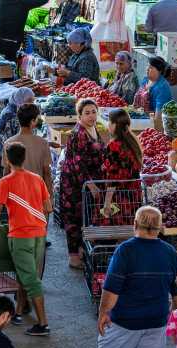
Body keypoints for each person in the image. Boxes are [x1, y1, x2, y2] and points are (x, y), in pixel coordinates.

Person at [95, 206, 177, 348]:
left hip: (125, 321)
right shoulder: (170, 252)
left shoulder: (125, 251)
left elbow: (111, 288)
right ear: (160, 228)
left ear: (135, 225)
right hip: (157, 321)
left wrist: (104, 313)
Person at [0, 142, 51, 336]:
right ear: (24, 158)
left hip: (20, 235)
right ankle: (18, 311)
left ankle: (43, 324)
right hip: (39, 234)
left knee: (30, 279)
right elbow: (48, 207)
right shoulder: (37, 179)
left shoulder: (6, 181)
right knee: (25, 273)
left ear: (7, 160)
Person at [57, 98, 106, 268]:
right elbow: (78, 163)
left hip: (87, 182)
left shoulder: (92, 129)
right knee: (74, 219)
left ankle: (81, 251)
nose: (91, 116)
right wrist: (91, 184)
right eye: (87, 113)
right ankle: (74, 258)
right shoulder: (79, 133)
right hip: (74, 184)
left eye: (93, 112)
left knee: (85, 216)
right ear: (80, 116)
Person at [0, 86, 35, 199]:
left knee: (1, 198)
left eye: (33, 101)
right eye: (29, 101)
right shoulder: (11, 117)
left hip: (5, 164)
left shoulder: (11, 112)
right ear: (20, 100)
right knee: (1, 199)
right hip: (5, 165)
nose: (32, 104)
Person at [97, 108, 141, 227]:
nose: (108, 124)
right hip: (133, 194)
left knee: (116, 228)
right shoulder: (133, 142)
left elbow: (113, 178)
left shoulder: (114, 146)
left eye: (109, 121)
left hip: (119, 197)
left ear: (115, 125)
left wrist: (107, 202)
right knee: (130, 227)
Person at [5, 102, 53, 197]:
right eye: (37, 118)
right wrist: (50, 196)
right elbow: (47, 173)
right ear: (33, 121)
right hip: (36, 193)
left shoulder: (8, 143)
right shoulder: (43, 143)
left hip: (16, 195)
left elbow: (6, 172)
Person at [134, 57, 173, 121]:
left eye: (151, 67)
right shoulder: (145, 80)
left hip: (156, 121)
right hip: (141, 116)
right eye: (147, 66)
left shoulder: (162, 87)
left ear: (159, 71)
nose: (147, 69)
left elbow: (158, 118)